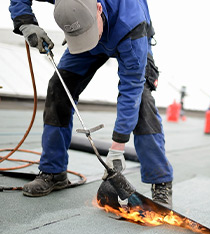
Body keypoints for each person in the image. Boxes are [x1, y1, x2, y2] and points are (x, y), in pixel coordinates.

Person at [9, 0, 173, 207]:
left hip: (125, 34)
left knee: (141, 101)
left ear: (98, 8)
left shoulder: (131, 21)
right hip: (88, 30)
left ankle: (161, 182)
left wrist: (117, 147)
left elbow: (131, 89)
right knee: (59, 88)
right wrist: (25, 21)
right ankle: (53, 171)